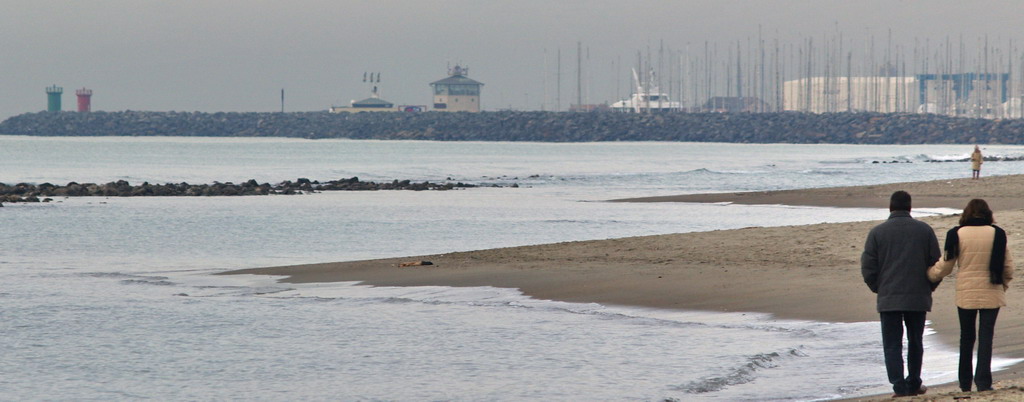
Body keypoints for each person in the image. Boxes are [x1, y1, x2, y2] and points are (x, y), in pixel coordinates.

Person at [928, 199, 1014, 392]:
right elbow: (1007, 267)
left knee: (966, 338)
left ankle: (965, 383)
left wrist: (930, 275)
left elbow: (946, 266)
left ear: (966, 213)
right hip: (992, 291)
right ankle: (983, 383)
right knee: (986, 337)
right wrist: (1003, 287)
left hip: (965, 293)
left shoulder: (956, 234)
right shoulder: (998, 234)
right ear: (988, 213)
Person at [862, 190, 941, 397]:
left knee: (892, 344)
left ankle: (899, 386)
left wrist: (879, 288)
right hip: (917, 296)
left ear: (890, 207)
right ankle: (914, 382)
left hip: (889, 297)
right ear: (910, 207)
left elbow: (868, 267)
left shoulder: (877, 233)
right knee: (915, 341)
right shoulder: (924, 230)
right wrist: (929, 286)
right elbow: (936, 264)